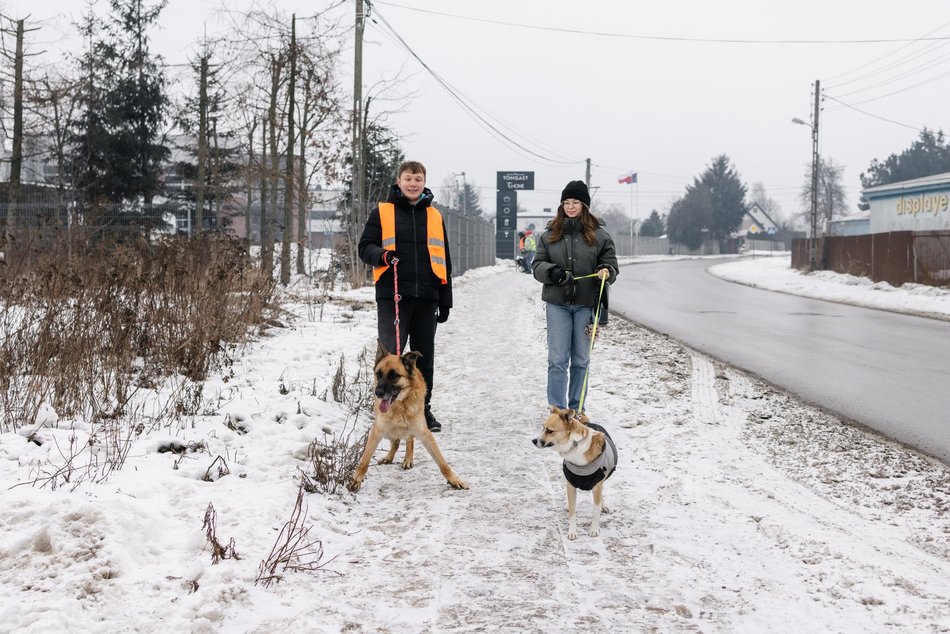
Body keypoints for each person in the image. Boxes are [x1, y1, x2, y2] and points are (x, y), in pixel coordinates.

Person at [358, 161, 452, 432]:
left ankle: (422, 411)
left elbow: (444, 258)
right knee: (390, 358)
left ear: (424, 182)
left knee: (423, 361)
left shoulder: (434, 216)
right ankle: (385, 409)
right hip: (393, 297)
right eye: (408, 178)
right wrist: (383, 256)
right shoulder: (383, 212)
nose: (413, 184)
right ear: (398, 181)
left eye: (418, 179)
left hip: (427, 298)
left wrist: (445, 299)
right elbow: (365, 248)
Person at [532, 180, 618, 411]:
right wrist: (552, 272)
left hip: (585, 306)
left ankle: (576, 410)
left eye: (575, 202)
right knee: (558, 360)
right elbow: (537, 265)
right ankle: (558, 410)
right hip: (557, 305)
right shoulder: (550, 234)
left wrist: (605, 271)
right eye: (566, 202)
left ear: (584, 205)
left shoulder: (600, 236)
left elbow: (611, 265)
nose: (570, 206)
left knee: (581, 360)